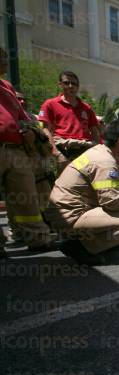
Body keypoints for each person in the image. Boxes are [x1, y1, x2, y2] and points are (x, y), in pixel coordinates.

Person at [45, 120, 119, 265]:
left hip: (66, 212)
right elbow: (111, 202)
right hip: (70, 216)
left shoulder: (100, 152)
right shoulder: (105, 162)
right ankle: (80, 247)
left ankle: (93, 241)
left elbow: (113, 189)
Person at [0, 48, 54, 256]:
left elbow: (24, 117)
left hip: (17, 149)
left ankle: (38, 238)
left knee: (26, 196)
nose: (5, 61)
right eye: (1, 57)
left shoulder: (7, 87)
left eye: (5, 57)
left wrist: (29, 131)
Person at [39, 71, 101, 174]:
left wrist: (98, 151)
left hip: (84, 149)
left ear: (78, 86)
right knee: (64, 183)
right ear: (60, 84)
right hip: (63, 149)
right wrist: (55, 152)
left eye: (74, 83)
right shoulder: (50, 104)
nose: (71, 86)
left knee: (82, 181)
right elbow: (45, 129)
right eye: (67, 83)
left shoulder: (86, 108)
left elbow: (95, 131)